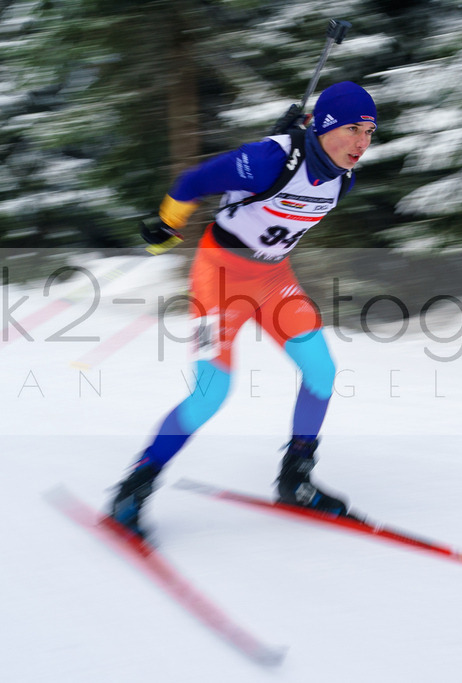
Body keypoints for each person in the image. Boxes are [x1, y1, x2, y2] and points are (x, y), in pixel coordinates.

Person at [110, 82, 377, 538]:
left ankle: (295, 478)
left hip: (273, 281)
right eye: (353, 128)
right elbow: (193, 182)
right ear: (325, 125)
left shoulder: (343, 178)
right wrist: (168, 225)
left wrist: (301, 148)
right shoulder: (271, 159)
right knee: (212, 390)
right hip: (218, 279)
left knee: (321, 372)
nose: (362, 142)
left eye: (370, 131)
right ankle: (134, 486)